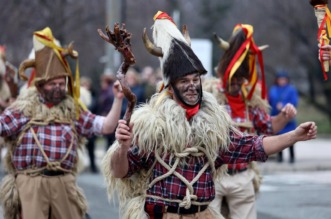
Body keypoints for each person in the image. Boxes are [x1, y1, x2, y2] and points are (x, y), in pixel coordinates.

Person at [102, 12, 317, 219]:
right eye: (184, 81)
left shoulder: (213, 126)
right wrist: (122, 147)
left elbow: (253, 146)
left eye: (196, 79)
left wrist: (294, 136)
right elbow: (120, 172)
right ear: (170, 87)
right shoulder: (152, 125)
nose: (192, 86)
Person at [0, 27, 123, 219]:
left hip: (64, 181)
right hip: (30, 182)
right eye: (52, 84)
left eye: (61, 83)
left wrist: (117, 99)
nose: (58, 88)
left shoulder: (72, 110)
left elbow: (106, 126)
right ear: (40, 85)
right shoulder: (22, 109)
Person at [203, 24, 298, 219]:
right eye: (233, 79)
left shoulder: (251, 102)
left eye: (240, 79)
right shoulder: (208, 98)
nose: (236, 84)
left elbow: (269, 127)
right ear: (223, 74)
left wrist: (284, 116)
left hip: (242, 176)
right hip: (213, 176)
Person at [268, 70, 299, 163]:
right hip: (276, 116)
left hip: (288, 117)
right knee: (278, 136)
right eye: (280, 79)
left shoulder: (291, 89)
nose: (282, 81)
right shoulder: (273, 89)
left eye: (284, 79)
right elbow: (269, 101)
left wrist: (284, 106)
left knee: (291, 136)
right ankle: (280, 157)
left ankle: (292, 157)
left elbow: (294, 101)